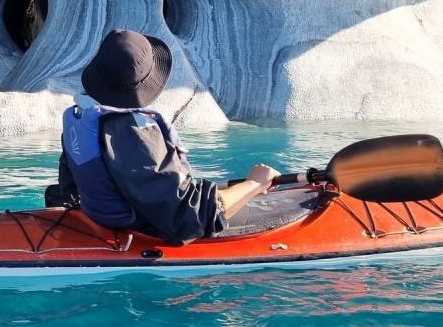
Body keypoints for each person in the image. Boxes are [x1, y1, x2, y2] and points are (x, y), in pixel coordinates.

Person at [51, 29, 280, 244]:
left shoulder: (85, 115)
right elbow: (187, 219)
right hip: (141, 229)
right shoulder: (134, 132)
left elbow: (70, 189)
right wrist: (255, 183)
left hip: (103, 217)